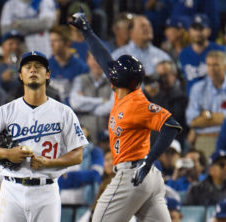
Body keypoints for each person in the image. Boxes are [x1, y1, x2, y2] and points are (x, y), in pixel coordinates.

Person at [70, 11, 182, 222]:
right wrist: (87, 31)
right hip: (148, 179)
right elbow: (104, 57)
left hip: (131, 175)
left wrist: (149, 161)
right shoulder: (127, 91)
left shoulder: (137, 104)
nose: (109, 70)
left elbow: (171, 125)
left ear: (113, 81)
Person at [0, 50, 88, 222]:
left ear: (48, 74)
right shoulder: (6, 111)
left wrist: (50, 162)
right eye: (28, 67)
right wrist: (7, 153)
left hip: (46, 190)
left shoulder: (64, 112)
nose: (33, 70)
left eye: (38, 67)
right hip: (11, 189)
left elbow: (77, 155)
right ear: (20, 75)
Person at [185, 50, 226, 158]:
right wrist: (219, 118)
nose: (211, 69)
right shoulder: (198, 88)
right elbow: (192, 121)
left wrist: (207, 116)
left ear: (224, 66)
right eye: (209, 65)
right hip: (204, 138)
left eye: (216, 65)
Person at [69, 52, 112, 144]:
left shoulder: (112, 82)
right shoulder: (80, 80)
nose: (97, 63)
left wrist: (85, 106)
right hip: (84, 136)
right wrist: (101, 101)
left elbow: (111, 106)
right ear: (87, 61)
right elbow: (75, 103)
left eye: (100, 59)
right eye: (94, 59)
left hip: (107, 138)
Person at [178, 14, 224, 95]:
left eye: (201, 28)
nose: (198, 32)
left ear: (209, 31)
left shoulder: (221, 50)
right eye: (195, 28)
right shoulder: (183, 54)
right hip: (191, 101)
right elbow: (182, 79)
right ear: (190, 30)